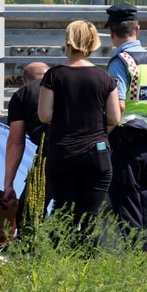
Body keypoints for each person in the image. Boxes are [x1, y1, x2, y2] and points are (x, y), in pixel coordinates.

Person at [38, 20, 120, 235]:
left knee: (63, 215)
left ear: (67, 42)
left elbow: (44, 115)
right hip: (97, 154)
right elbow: (114, 117)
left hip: (64, 153)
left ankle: (61, 261)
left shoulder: (54, 76)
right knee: (90, 218)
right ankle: (87, 264)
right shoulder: (105, 78)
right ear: (94, 43)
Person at [105, 2, 147, 249]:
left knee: (125, 204)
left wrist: (103, 136)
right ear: (138, 29)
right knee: (144, 204)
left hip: (124, 141)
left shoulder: (120, 62)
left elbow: (119, 107)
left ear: (112, 32)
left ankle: (136, 259)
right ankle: (144, 260)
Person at [3, 61, 52, 235]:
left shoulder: (22, 94)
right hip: (87, 151)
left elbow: (16, 142)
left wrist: (8, 184)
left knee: (28, 213)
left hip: (49, 154)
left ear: (25, 80)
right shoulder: (63, 85)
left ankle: (31, 252)